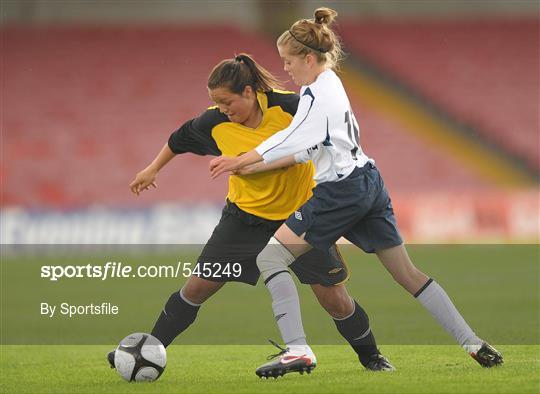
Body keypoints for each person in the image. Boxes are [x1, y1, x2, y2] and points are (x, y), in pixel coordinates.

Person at [209, 7, 504, 378]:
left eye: (288, 61)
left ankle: (297, 350)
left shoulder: (316, 93)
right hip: (369, 181)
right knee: (407, 273)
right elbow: (304, 148)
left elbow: (290, 139)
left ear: (309, 57)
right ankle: (473, 344)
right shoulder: (329, 83)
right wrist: (252, 164)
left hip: (341, 192)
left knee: (269, 259)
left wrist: (241, 160)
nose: (285, 68)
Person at [108, 53, 395, 373]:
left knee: (334, 300)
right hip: (244, 218)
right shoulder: (214, 122)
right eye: (217, 103)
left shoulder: (290, 107)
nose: (222, 110)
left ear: (249, 92)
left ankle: (372, 357)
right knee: (198, 287)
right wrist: (152, 169)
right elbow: (178, 139)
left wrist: (250, 163)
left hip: (300, 218)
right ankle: (148, 349)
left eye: (227, 102)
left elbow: (314, 145)